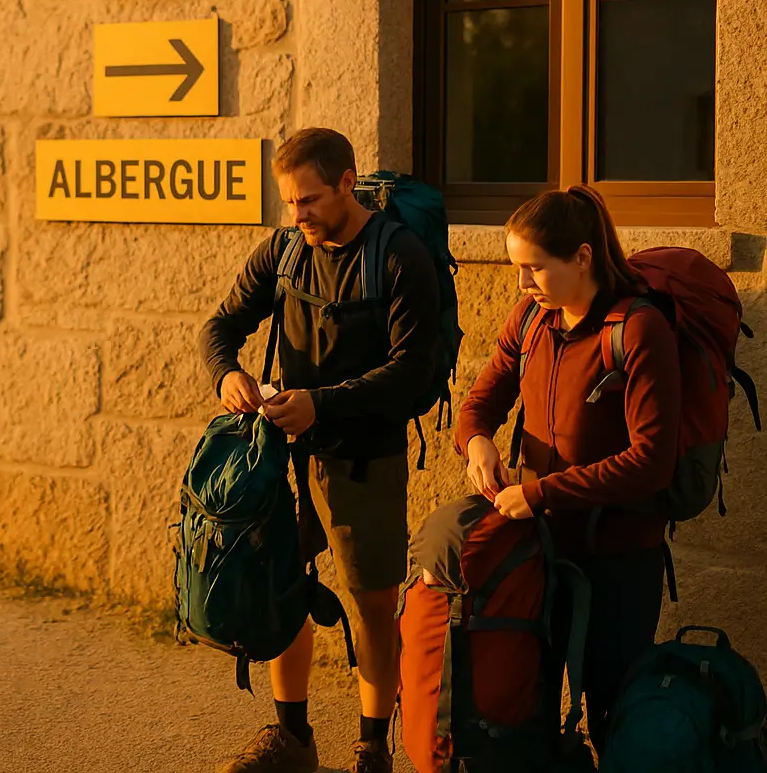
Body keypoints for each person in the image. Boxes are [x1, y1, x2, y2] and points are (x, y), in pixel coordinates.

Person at [199, 128, 440, 773]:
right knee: (282, 586)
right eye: (289, 202)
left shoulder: (398, 256)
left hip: (365, 454)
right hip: (282, 450)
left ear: (345, 182)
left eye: (308, 200)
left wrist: (322, 405)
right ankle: (293, 738)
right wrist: (227, 373)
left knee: (372, 602)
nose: (297, 215)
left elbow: (415, 372)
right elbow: (219, 326)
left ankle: (371, 746)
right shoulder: (283, 250)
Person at [457, 184, 679, 754]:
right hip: (539, 550)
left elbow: (650, 463)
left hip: (619, 556)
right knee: (524, 704)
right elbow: (480, 401)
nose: (521, 284)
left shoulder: (637, 330)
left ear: (582, 256)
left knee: (614, 710)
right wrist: (477, 441)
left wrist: (542, 493)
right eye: (517, 268)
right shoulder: (532, 319)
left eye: (534, 269)